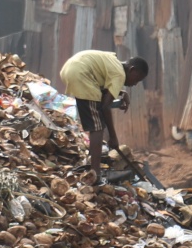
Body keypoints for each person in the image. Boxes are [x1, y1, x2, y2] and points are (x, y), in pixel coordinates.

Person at [58, 50, 149, 181]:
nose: (135, 84)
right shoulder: (119, 75)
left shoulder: (115, 63)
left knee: (97, 116)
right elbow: (105, 106)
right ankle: (95, 174)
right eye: (137, 79)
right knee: (98, 126)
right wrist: (113, 137)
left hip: (71, 69)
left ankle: (91, 163)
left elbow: (104, 89)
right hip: (81, 74)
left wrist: (121, 93)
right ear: (132, 70)